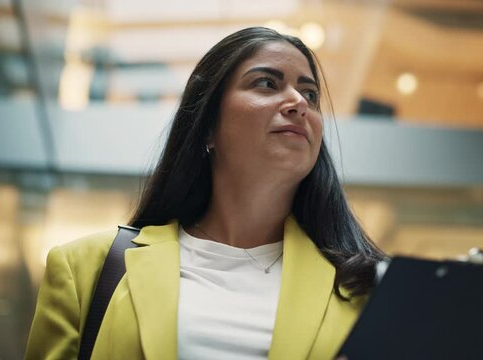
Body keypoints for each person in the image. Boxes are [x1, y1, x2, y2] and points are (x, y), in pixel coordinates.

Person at [26, 26, 386, 360]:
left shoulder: (368, 291)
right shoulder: (85, 268)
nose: (298, 102)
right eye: (266, 83)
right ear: (208, 127)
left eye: (309, 93)